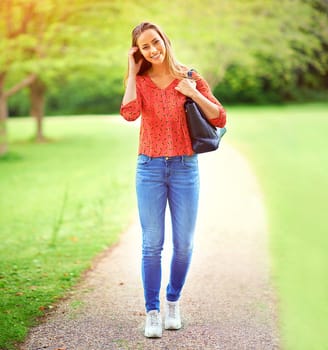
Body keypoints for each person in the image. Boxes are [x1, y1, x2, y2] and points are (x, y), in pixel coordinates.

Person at [120, 22, 226, 338]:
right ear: (139, 52)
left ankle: (173, 301)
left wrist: (193, 92)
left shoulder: (190, 77)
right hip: (149, 169)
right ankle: (152, 311)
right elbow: (129, 114)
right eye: (144, 47)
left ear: (165, 40)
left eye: (155, 42)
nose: (153, 50)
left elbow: (219, 117)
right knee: (152, 244)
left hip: (184, 169)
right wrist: (130, 70)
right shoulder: (139, 82)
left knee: (184, 245)